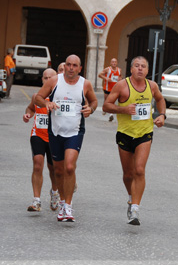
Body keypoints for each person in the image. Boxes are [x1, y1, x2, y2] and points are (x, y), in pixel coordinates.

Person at [102, 56, 166, 226]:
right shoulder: (122, 85)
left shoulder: (152, 86)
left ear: (147, 70)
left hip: (144, 133)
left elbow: (160, 99)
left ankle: (135, 208)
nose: (140, 69)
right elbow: (106, 105)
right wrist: (123, 109)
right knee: (128, 174)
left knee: (139, 170)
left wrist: (162, 115)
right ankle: (131, 198)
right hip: (124, 133)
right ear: (131, 69)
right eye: (136, 66)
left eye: (143, 66)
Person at [35, 55, 98, 222]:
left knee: (70, 167)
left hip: (75, 131)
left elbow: (94, 101)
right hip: (55, 131)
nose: (71, 68)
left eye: (74, 65)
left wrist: (90, 109)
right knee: (59, 170)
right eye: (68, 64)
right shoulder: (54, 81)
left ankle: (68, 206)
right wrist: (47, 104)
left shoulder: (85, 84)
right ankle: (62, 202)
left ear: (80, 68)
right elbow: (38, 97)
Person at [23, 68, 60, 212]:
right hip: (37, 135)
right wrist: (27, 115)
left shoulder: (60, 97)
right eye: (45, 78)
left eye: (51, 77)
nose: (47, 80)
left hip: (54, 137)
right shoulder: (36, 96)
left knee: (53, 169)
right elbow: (30, 108)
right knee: (37, 164)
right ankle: (36, 200)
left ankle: (55, 192)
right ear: (42, 80)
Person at [98, 58, 122, 122]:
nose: (114, 63)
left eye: (115, 62)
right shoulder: (107, 69)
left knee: (111, 102)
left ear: (117, 63)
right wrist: (106, 78)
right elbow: (99, 75)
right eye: (112, 62)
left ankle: (111, 114)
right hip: (107, 88)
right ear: (110, 63)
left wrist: (120, 79)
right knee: (106, 101)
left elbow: (120, 77)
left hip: (115, 89)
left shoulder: (119, 70)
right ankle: (105, 109)